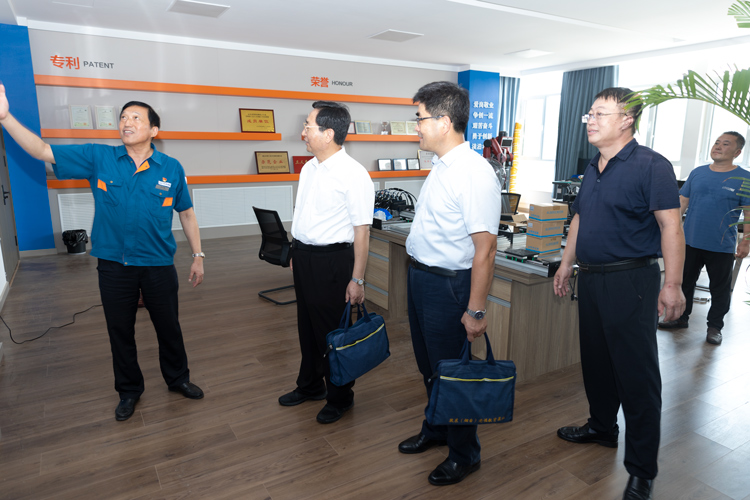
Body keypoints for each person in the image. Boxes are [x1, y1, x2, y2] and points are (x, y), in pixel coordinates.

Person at [0, 83, 205, 422]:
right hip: (114, 265)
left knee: (169, 326)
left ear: (154, 130)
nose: (126, 122)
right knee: (120, 331)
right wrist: (5, 117)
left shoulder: (171, 168)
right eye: (123, 117)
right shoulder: (100, 157)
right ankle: (129, 391)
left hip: (158, 264)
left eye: (136, 117)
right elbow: (42, 150)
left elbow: (186, 213)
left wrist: (198, 256)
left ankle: (178, 378)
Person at [552, 87, 685, 500]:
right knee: (596, 361)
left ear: (627, 119)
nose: (590, 121)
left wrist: (673, 284)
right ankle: (602, 427)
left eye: (600, 114)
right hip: (591, 279)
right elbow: (579, 218)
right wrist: (567, 262)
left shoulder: (651, 165)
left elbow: (671, 226)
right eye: (589, 114)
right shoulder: (593, 166)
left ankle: (642, 470)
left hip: (631, 281)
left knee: (636, 376)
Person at [397, 81, 502, 486]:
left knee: (452, 373)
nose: (416, 127)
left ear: (443, 122)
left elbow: (485, 250)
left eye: (420, 119)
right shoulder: (441, 166)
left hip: (449, 287)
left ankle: (464, 453)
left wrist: (475, 309)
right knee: (429, 367)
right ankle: (437, 427)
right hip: (422, 278)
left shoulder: (473, 172)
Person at [278, 101, 374, 425]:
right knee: (307, 327)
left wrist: (357, 280)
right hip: (304, 257)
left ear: (329, 133)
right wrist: (296, 251)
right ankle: (310, 385)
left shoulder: (354, 174)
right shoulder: (309, 168)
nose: (302, 132)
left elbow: (362, 232)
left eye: (308, 126)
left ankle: (340, 397)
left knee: (333, 334)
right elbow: (304, 214)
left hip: (333, 262)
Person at [658, 132, 750, 345]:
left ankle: (715, 327)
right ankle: (680, 318)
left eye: (725, 144)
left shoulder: (744, 178)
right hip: (689, 241)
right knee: (684, 282)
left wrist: (746, 241)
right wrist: (669, 230)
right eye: (717, 142)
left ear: (737, 152)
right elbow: (681, 203)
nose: (718, 146)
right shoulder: (698, 173)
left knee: (720, 289)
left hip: (721, 245)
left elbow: (748, 212)